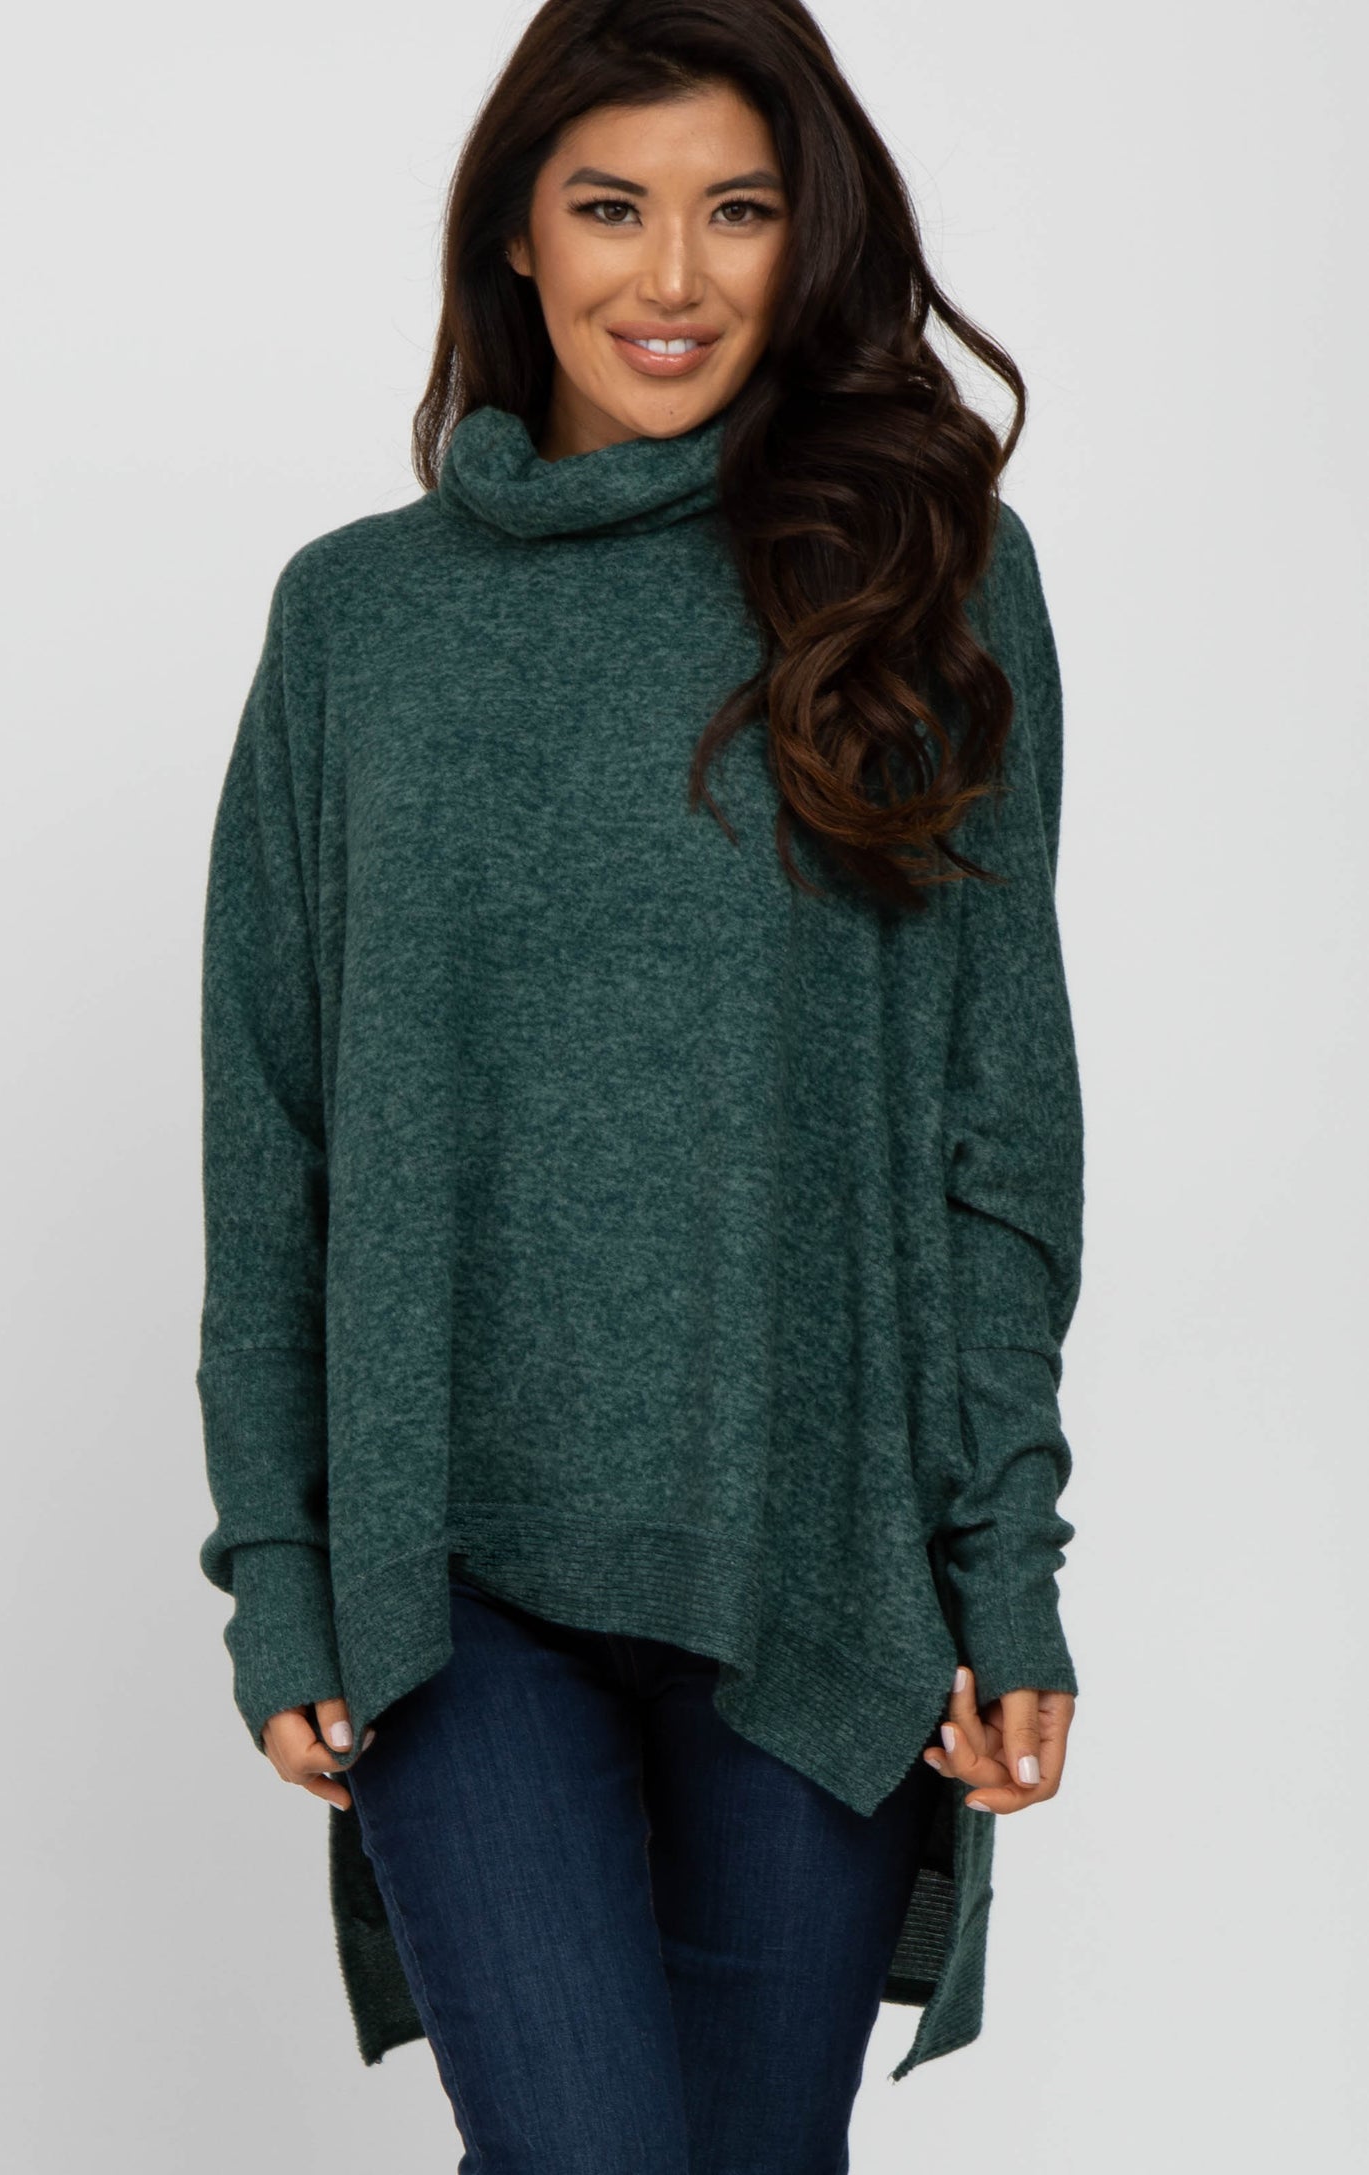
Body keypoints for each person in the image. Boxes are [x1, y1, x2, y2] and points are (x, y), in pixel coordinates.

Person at [194, 1, 1085, 2166]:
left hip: (814, 1549)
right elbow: (270, 1129)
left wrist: (1004, 1566)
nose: (669, 277)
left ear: (808, 238)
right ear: (514, 232)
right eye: (610, 207)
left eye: (736, 211)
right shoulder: (360, 623)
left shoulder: (927, 580)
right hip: (449, 1568)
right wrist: (280, 1563)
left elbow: (995, 1118)